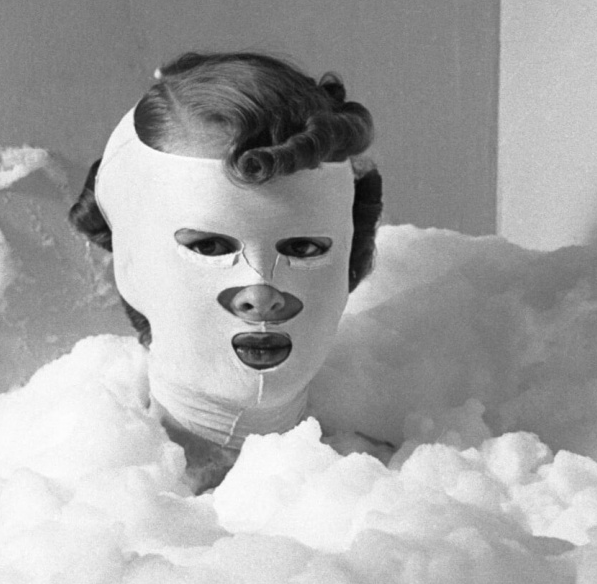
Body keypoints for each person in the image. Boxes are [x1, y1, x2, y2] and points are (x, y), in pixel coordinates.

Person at [69, 52, 385, 485]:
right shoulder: (63, 504)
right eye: (209, 246)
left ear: (349, 258)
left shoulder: (402, 486)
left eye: (304, 247)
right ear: (131, 258)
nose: (262, 294)